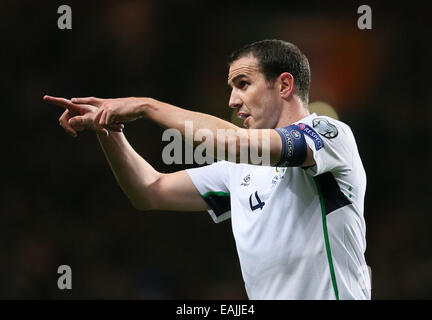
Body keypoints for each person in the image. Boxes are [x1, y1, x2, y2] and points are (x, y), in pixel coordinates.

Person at [44, 39, 371, 300]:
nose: (232, 100)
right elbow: (149, 190)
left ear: (284, 85)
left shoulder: (329, 135)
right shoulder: (238, 169)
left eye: (243, 84)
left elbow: (237, 143)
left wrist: (147, 106)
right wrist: (109, 130)